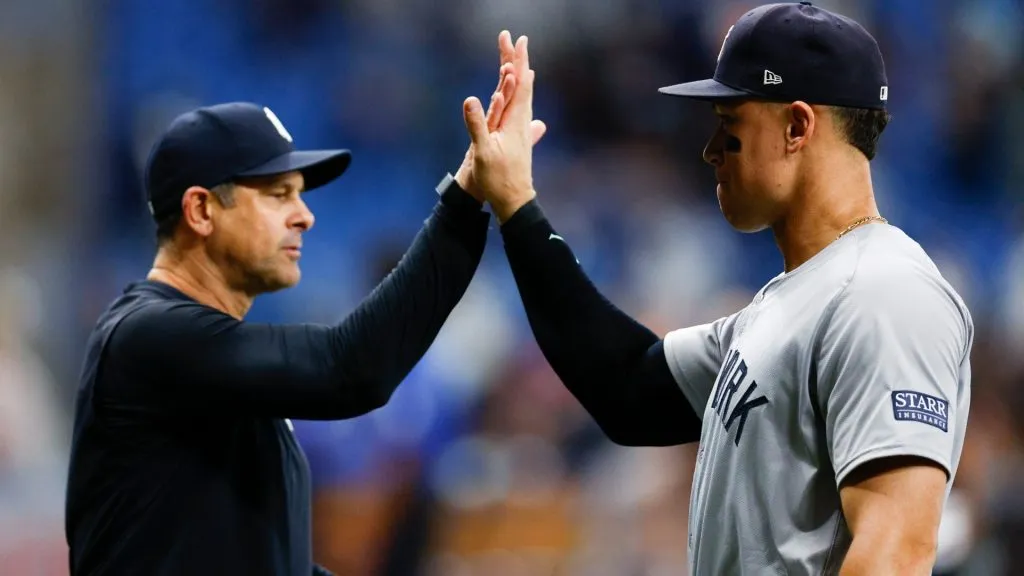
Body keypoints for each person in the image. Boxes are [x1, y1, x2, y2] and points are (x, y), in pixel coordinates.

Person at [462, 3, 974, 574]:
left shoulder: (884, 292)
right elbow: (629, 388)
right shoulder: (791, 299)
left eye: (729, 125)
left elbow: (895, 555)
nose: (709, 150)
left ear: (798, 126)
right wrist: (515, 204)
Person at [63, 34, 545, 576]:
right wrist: (466, 197)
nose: (304, 216)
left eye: (301, 194)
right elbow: (352, 368)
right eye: (277, 195)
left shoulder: (209, 365)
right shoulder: (149, 336)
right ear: (200, 211)